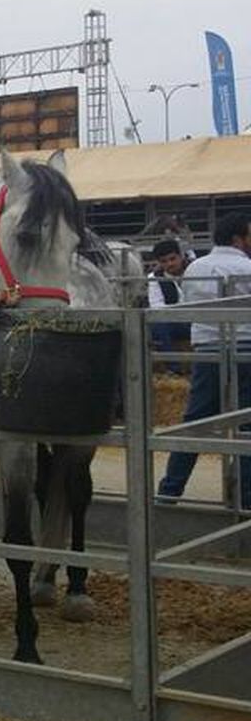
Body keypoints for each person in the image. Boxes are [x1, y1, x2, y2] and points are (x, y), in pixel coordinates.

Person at [157, 213, 251, 507]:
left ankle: (169, 492)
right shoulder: (248, 266)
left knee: (195, 421)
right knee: (247, 425)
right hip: (247, 348)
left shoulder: (196, 267)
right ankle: (246, 500)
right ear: (238, 238)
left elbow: (188, 310)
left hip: (207, 349)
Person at [148, 239, 189, 371]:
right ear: (159, 263)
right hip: (175, 322)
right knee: (158, 325)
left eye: (173, 259)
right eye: (164, 261)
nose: (170, 264)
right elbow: (157, 307)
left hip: (198, 320)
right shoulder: (154, 278)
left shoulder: (195, 270)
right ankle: (174, 368)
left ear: (181, 256)